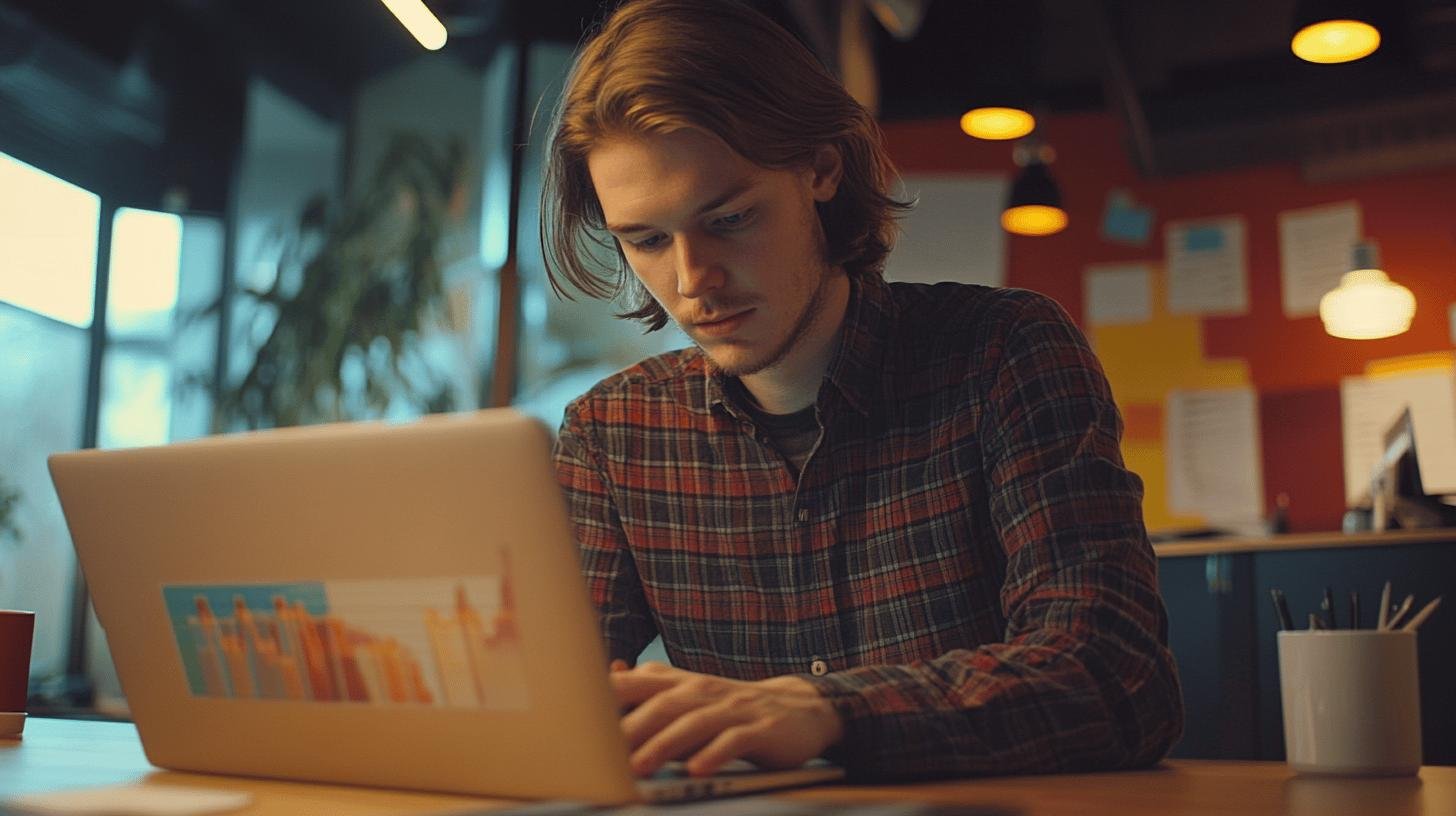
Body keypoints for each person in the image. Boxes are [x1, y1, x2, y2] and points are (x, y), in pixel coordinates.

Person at [542, 0, 1183, 783]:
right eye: (645, 239)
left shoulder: (1004, 355)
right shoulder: (612, 434)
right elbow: (554, 710)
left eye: (732, 217)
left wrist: (829, 712)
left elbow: (1118, 677)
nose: (691, 280)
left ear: (821, 167)